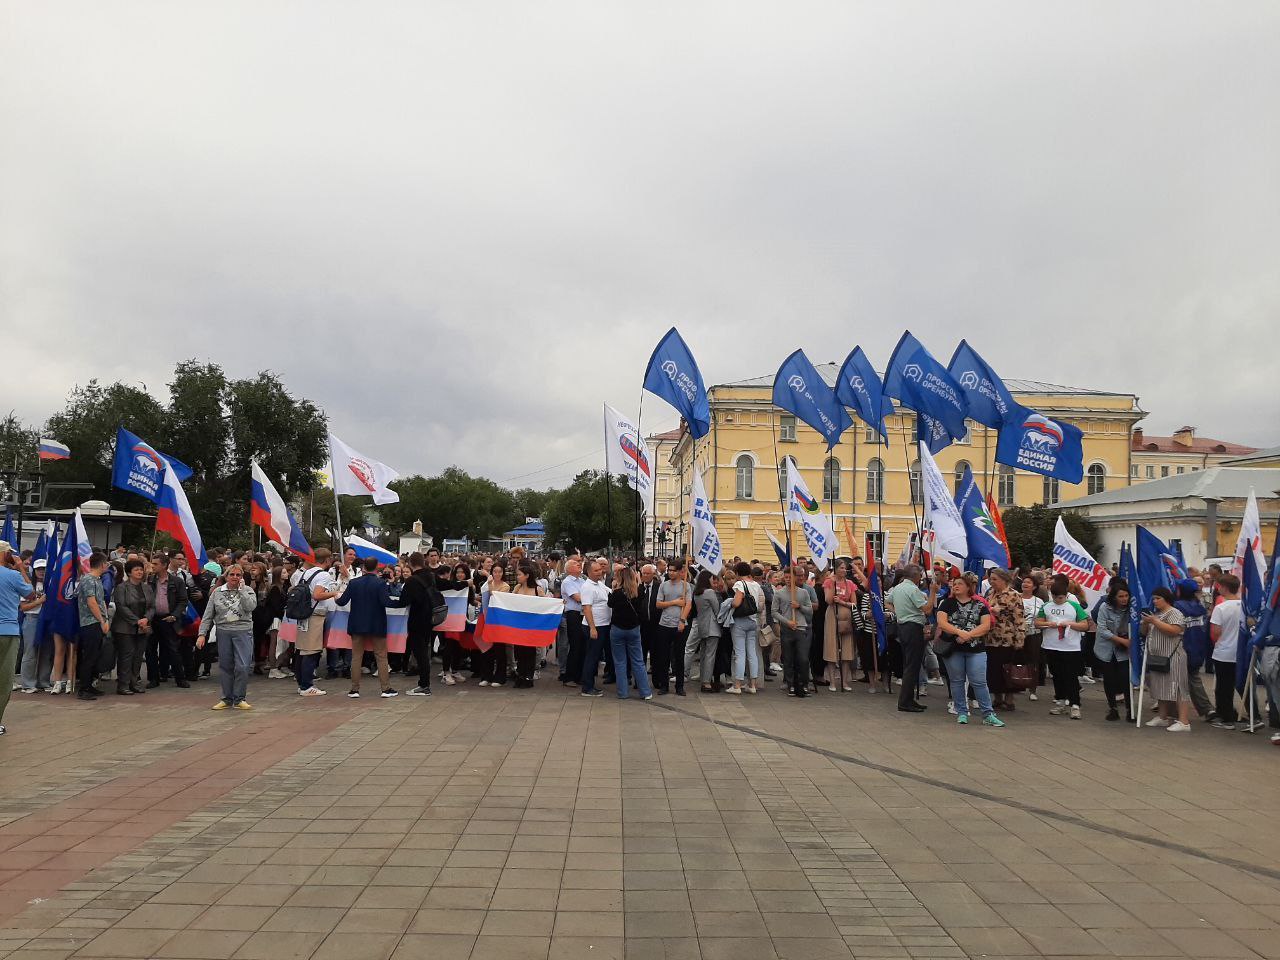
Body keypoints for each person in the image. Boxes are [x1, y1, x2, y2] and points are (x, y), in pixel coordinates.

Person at [936, 572, 1004, 727]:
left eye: (959, 583)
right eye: (954, 584)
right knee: (957, 680)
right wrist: (959, 632)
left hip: (976, 648)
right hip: (953, 648)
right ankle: (961, 711)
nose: (956, 586)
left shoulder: (979, 604)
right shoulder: (947, 603)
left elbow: (986, 625)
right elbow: (942, 622)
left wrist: (968, 635)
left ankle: (988, 714)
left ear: (968, 587)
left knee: (979, 681)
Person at [335, 557, 408, 699]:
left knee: (356, 657)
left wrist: (335, 597)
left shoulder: (354, 583)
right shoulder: (380, 583)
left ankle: (354, 689)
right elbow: (386, 602)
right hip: (376, 623)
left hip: (357, 624)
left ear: (363, 568)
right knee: (381, 656)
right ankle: (385, 689)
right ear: (376, 568)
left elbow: (342, 601)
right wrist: (403, 603)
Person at [198, 564, 258, 710]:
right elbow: (208, 615)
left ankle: (240, 698)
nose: (235, 578)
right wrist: (202, 634)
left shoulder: (248, 590)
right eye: (232, 575)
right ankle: (226, 698)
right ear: (226, 576)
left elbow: (250, 607)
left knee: (243, 666)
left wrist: (242, 591)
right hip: (223, 631)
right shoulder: (217, 592)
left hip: (243, 631)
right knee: (225, 665)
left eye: (238, 575)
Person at [885, 564, 938, 713]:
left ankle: (908, 699)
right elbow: (927, 610)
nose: (921, 578)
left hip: (903, 626)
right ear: (915, 576)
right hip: (913, 626)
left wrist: (898, 612)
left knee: (910, 663)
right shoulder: (913, 590)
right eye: (920, 575)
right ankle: (904, 701)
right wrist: (933, 592)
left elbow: (887, 601)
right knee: (912, 665)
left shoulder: (898, 588)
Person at [1035, 574, 1089, 718]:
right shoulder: (1046, 606)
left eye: (1061, 597)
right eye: (1056, 597)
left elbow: (1085, 625)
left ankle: (1075, 704)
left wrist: (1070, 624)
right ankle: (1060, 700)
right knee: (1057, 675)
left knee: (1070, 676)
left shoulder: (1074, 606)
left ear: (1066, 595)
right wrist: (1048, 623)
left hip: (1070, 647)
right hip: (1051, 645)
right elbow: (1038, 623)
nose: (1058, 600)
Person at [1142, 587, 1192, 732]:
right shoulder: (1156, 614)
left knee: (1178, 688)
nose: (1155, 601)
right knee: (1159, 686)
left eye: (1158, 598)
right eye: (1153, 599)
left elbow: (1174, 631)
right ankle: (1163, 717)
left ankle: (1184, 721)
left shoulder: (1175, 613)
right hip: (1158, 657)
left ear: (1167, 599)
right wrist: (1146, 623)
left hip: (1173, 655)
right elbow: (1143, 633)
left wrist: (1155, 621)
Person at [292, 548, 338, 697]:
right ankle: (307, 685)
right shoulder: (323, 575)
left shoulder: (307, 572)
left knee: (301, 649)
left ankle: (301, 683)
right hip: (315, 614)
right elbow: (317, 594)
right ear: (327, 560)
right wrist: (334, 593)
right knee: (311, 650)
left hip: (304, 614)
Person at [0, 543, 35, 729]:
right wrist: (20, 567)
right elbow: (30, 594)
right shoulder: (12, 575)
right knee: (4, 680)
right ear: (6, 555)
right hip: (7, 632)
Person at [608, 565, 652, 700]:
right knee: (638, 661)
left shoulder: (616, 593)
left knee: (620, 662)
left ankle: (623, 692)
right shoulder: (638, 591)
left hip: (617, 629)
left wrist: (614, 588)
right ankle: (645, 692)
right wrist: (638, 581)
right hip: (633, 629)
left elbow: (610, 604)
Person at [110, 558, 154, 695]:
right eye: (136, 570)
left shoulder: (147, 587)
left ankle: (134, 683)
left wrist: (146, 618)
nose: (140, 572)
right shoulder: (121, 588)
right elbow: (122, 607)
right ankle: (123, 685)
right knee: (126, 656)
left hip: (143, 627)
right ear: (129, 572)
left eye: (141, 569)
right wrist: (137, 621)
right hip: (125, 628)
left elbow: (152, 606)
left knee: (138, 656)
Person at [146, 553, 190, 689]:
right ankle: (153, 678)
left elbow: (183, 600)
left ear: (164, 565)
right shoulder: (150, 580)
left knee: (172, 649)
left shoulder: (177, 581)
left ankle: (180, 678)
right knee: (150, 650)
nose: (152, 566)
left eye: (156, 564)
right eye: (152, 563)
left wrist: (175, 615)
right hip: (153, 619)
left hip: (169, 619)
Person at [400, 552, 441, 696]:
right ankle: (424, 684)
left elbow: (403, 601)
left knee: (420, 653)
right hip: (429, 619)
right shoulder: (430, 576)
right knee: (424, 652)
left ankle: (424, 685)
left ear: (410, 564)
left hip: (417, 620)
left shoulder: (411, 581)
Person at [983, 568, 1024, 712]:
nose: (992, 582)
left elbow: (1019, 618)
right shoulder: (990, 594)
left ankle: (1009, 698)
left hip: (1007, 638)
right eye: (991, 579)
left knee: (1007, 669)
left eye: (995, 579)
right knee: (993, 669)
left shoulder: (1014, 595)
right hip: (990, 637)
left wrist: (1020, 638)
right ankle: (997, 697)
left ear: (1004, 580)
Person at [73, 552, 111, 701]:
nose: (107, 565)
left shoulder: (97, 580)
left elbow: (101, 602)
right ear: (102, 564)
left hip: (97, 622)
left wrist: (105, 619)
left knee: (95, 655)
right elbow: (92, 602)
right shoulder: (89, 580)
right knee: (89, 656)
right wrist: (102, 620)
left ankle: (89, 685)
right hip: (90, 623)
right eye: (106, 563)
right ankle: (84, 688)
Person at [1094, 578, 1133, 721]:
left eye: (1126, 596)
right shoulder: (1105, 607)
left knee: (1125, 679)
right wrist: (1121, 640)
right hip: (1106, 649)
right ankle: (1113, 708)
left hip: (1124, 652)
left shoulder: (1131, 609)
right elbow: (1102, 630)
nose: (1124, 599)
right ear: (1114, 597)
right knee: (1109, 679)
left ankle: (1131, 709)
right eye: (1120, 596)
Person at [773, 564, 814, 697]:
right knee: (788, 659)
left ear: (795, 578)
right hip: (787, 629)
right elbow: (774, 612)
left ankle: (804, 684)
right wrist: (786, 622)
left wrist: (799, 606)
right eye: (785, 577)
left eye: (790, 577)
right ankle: (790, 684)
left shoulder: (803, 593)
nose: (787, 580)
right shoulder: (779, 593)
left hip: (801, 628)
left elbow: (810, 611)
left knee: (803, 658)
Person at [1208, 573, 1243, 729]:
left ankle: (1227, 718)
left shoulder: (1220, 608)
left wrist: (1219, 641)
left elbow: (1215, 632)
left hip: (1223, 652)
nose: (1218, 588)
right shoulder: (1244, 606)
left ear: (1225, 588)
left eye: (1219, 586)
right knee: (1235, 684)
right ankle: (1236, 714)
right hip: (1240, 652)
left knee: (1223, 687)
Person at [652, 558, 691, 696]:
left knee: (679, 656)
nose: (671, 573)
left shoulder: (686, 586)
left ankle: (679, 686)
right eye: (669, 570)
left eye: (674, 571)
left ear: (681, 572)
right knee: (663, 656)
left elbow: (688, 604)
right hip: (664, 624)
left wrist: (682, 620)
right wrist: (674, 602)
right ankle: (664, 685)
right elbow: (658, 604)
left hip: (679, 624)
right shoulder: (664, 585)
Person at [728, 560, 765, 695]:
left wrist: (729, 604)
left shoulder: (739, 584)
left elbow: (737, 602)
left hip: (740, 621)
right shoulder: (755, 584)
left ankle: (737, 685)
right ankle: (752, 684)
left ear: (737, 573)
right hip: (752, 620)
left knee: (739, 653)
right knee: (752, 653)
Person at [823, 561, 858, 692]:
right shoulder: (829, 582)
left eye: (845, 568)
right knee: (832, 647)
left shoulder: (850, 584)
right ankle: (832, 681)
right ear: (836, 569)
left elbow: (854, 604)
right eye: (841, 568)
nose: (844, 570)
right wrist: (832, 584)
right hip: (832, 615)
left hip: (846, 617)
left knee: (846, 649)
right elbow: (828, 600)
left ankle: (844, 682)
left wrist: (843, 602)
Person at [579, 558, 611, 697]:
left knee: (596, 656)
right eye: (596, 570)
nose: (600, 572)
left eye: (600, 569)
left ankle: (590, 684)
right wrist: (592, 628)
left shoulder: (599, 584)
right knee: (591, 657)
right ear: (588, 572)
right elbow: (586, 608)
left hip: (603, 624)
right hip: (595, 626)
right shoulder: (588, 587)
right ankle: (587, 687)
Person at [18, 559, 50, 693]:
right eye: (39, 569)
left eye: (43, 568)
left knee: (46, 652)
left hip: (47, 620)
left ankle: (43, 681)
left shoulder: (50, 585)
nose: (41, 571)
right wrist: (39, 602)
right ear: (34, 571)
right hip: (32, 619)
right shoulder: (28, 585)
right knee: (30, 651)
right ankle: (28, 683)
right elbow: (23, 608)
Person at [511, 561, 543, 688]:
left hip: (531, 625)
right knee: (519, 651)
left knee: (529, 651)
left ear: (527, 575)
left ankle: (528, 676)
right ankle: (521, 675)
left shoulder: (537, 589)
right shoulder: (517, 588)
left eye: (519, 574)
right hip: (519, 625)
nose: (517, 577)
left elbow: (545, 604)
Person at [690, 571, 723, 692]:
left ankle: (704, 678)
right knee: (710, 655)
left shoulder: (697, 593)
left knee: (704, 655)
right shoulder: (709, 592)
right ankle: (706, 682)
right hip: (712, 626)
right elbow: (717, 609)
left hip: (702, 625)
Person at [559, 558, 586, 686]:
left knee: (582, 645)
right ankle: (569, 676)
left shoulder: (582, 581)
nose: (579, 564)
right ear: (569, 569)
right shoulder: (568, 582)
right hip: (573, 614)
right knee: (575, 645)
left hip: (583, 614)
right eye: (576, 564)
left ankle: (579, 675)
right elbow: (577, 598)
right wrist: (590, 598)